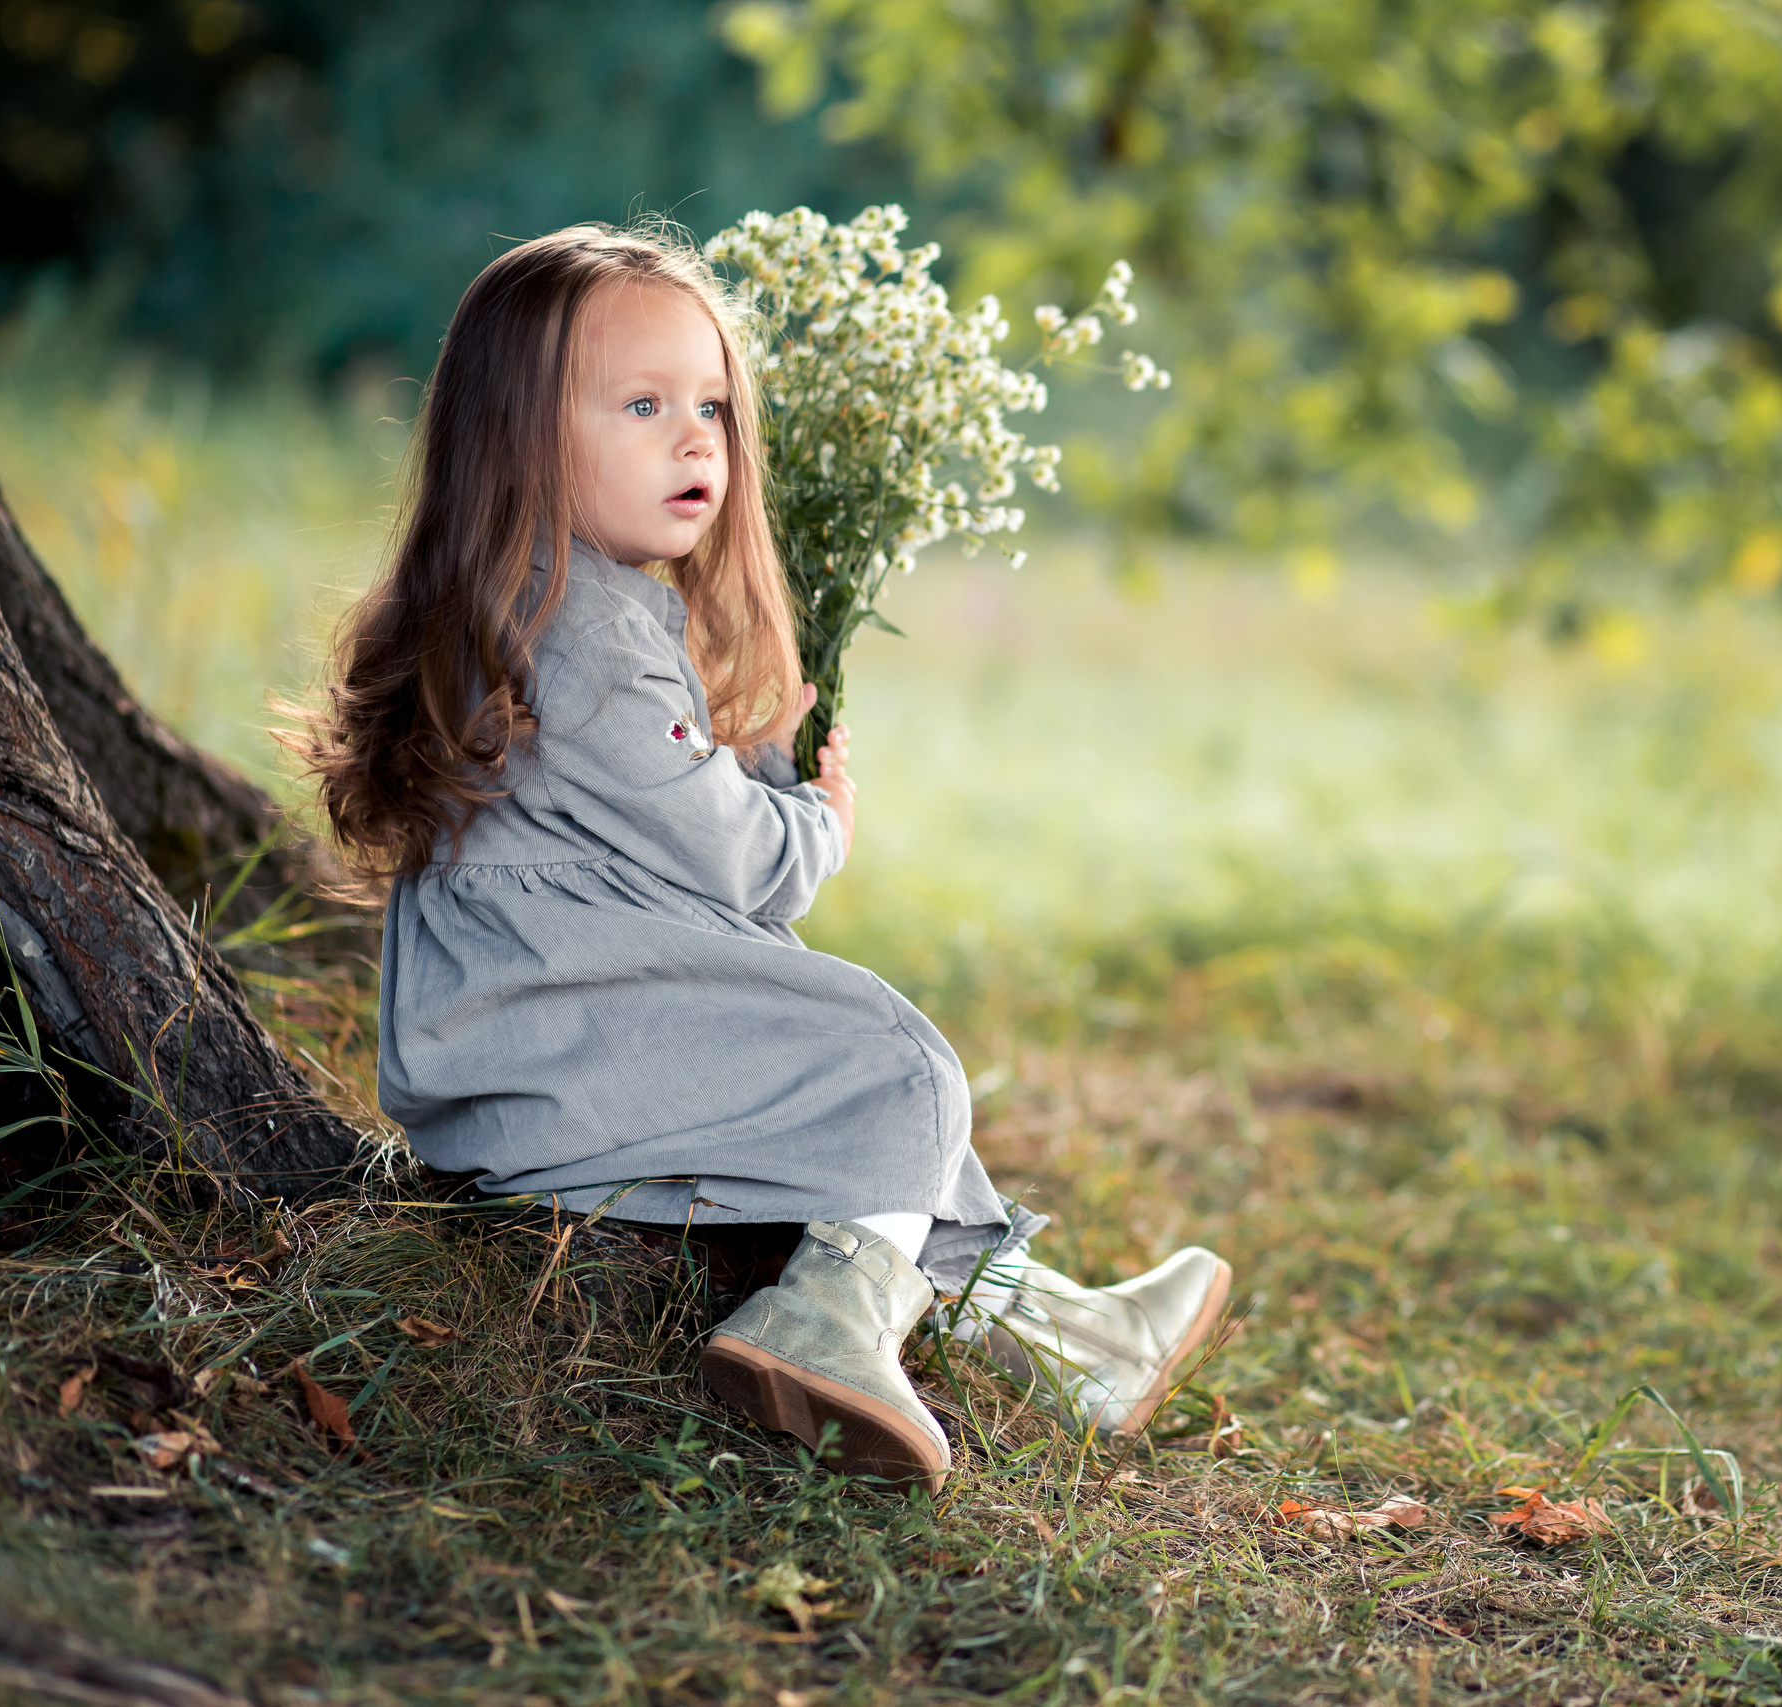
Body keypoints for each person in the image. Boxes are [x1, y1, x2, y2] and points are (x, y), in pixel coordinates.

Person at [294, 223, 1232, 1492]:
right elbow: (734, 870)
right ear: (518, 440)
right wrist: (813, 813)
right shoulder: (594, 636)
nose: (697, 442)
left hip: (530, 1043)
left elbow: (648, 832)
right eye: (643, 405)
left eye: (713, 408)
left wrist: (741, 769)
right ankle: (823, 1328)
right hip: (559, 1050)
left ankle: (1072, 1342)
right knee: (897, 1068)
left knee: (859, 1088)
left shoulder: (533, 604)